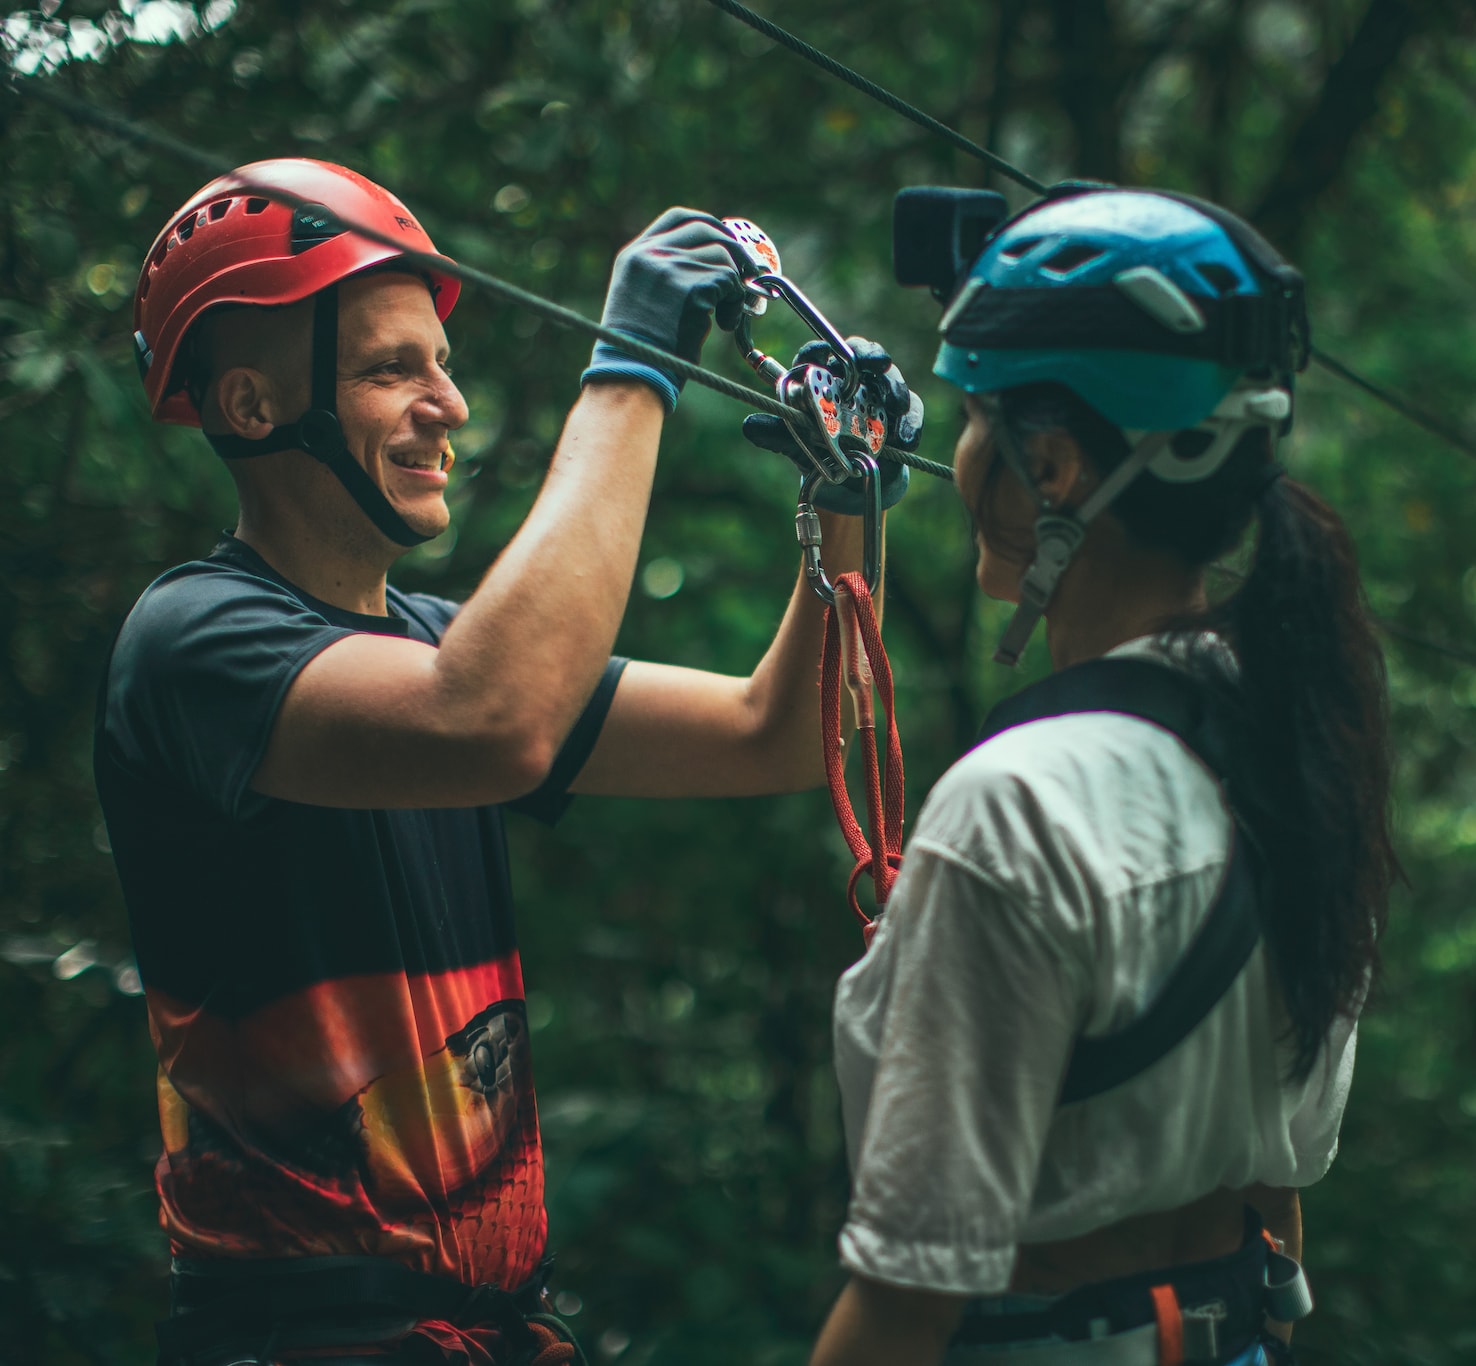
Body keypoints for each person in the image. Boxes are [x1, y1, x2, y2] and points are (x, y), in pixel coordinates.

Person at [97, 159, 909, 1366]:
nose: (448, 405)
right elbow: (493, 721)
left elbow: (775, 732)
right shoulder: (194, 642)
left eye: (441, 364)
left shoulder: (439, 645)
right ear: (251, 406)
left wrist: (850, 496)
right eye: (390, 370)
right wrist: (632, 364)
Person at [809, 189, 1399, 1366]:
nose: (958, 457)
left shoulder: (1018, 807)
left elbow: (905, 1303)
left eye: (976, 421)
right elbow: (1275, 1192)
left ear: (1054, 466)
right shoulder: (1295, 733)